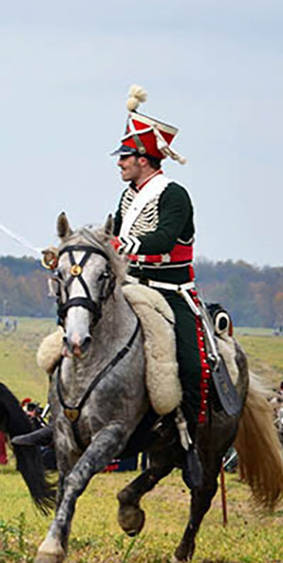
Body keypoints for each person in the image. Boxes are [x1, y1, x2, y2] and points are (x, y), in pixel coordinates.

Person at [107, 85, 206, 483]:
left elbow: (164, 239)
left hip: (169, 292)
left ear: (144, 159)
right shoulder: (127, 197)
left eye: (125, 158)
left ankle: (193, 442)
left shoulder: (174, 195)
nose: (119, 165)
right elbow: (112, 233)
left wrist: (119, 243)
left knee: (192, 365)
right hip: (130, 287)